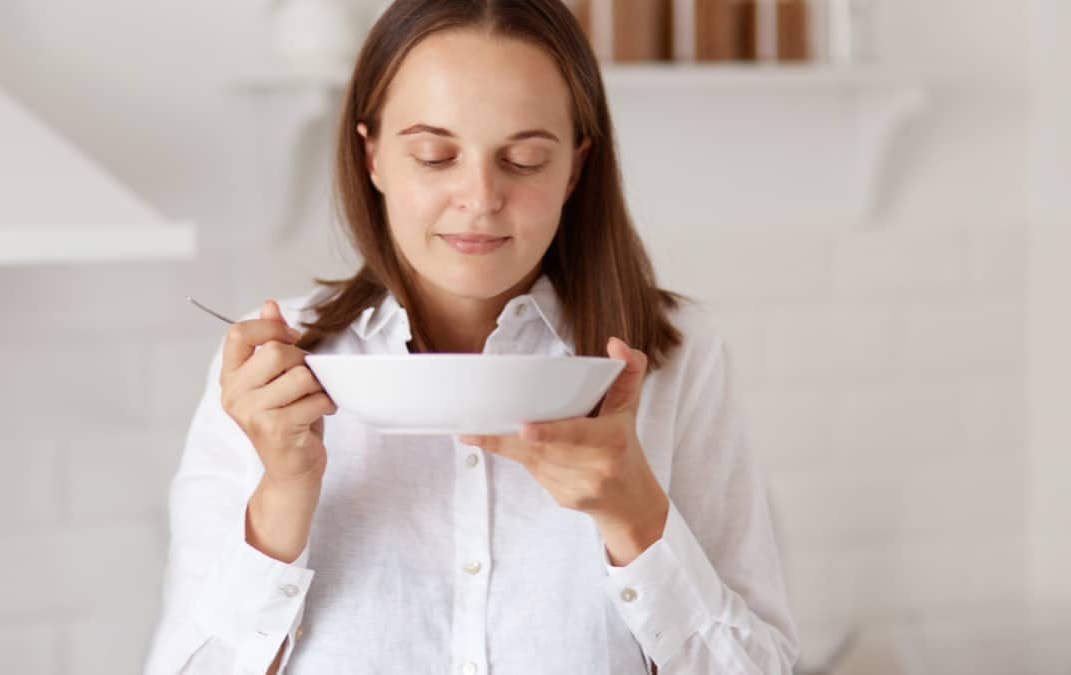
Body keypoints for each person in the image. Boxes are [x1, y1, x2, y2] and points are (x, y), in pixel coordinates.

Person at [144, 1, 799, 673]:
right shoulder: (276, 379)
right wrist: (282, 495)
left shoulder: (676, 359)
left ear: (575, 168)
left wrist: (636, 519)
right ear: (370, 155)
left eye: (522, 160)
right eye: (435, 155)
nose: (480, 196)